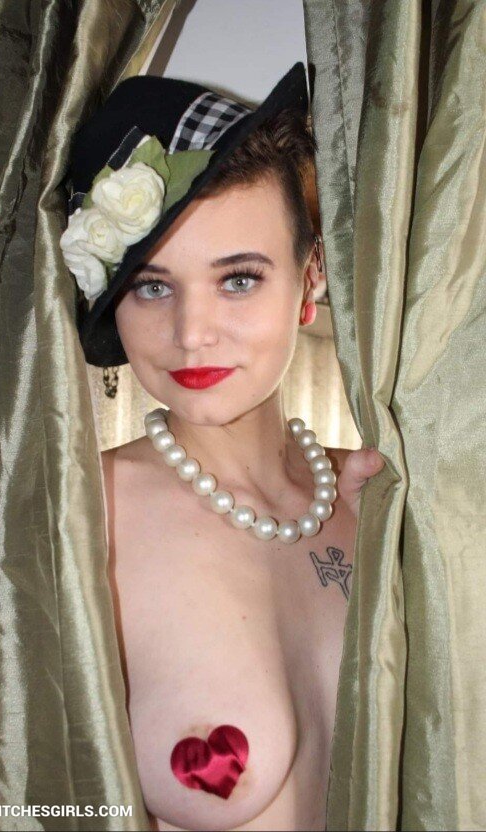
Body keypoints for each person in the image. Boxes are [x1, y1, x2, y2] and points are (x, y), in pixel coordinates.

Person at [60, 64, 384, 832]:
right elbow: (16, 795)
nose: (191, 333)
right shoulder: (74, 525)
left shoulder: (377, 502)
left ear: (310, 279)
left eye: (237, 279)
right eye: (151, 285)